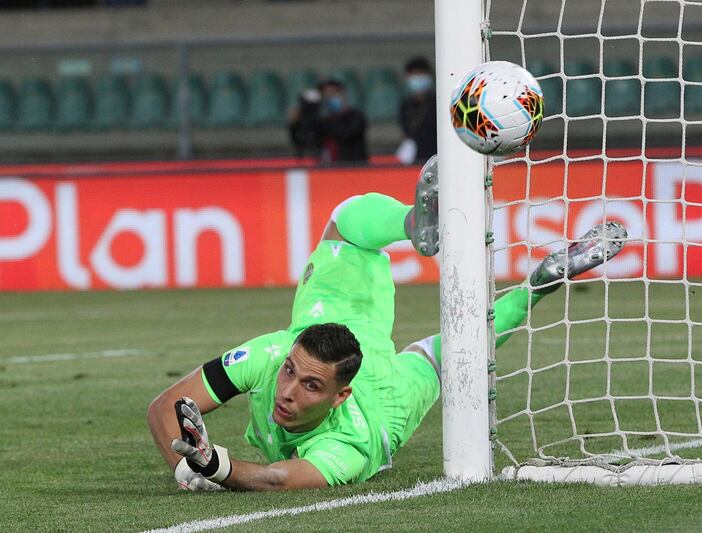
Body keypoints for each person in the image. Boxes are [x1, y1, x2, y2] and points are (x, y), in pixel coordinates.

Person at [147, 155, 628, 491]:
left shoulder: (353, 445)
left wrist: (215, 465)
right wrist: (184, 472)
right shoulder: (275, 354)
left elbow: (275, 478)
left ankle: (539, 284)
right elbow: (164, 406)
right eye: (292, 374)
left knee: (460, 350)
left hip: (388, 398)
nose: (288, 391)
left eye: (310, 386)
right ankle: (415, 227)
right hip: (337, 323)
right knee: (343, 224)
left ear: (340, 397)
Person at [397, 56, 437, 164]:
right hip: (414, 160)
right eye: (414, 75)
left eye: (420, 74)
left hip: (435, 157)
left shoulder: (437, 104)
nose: (417, 79)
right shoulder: (405, 106)